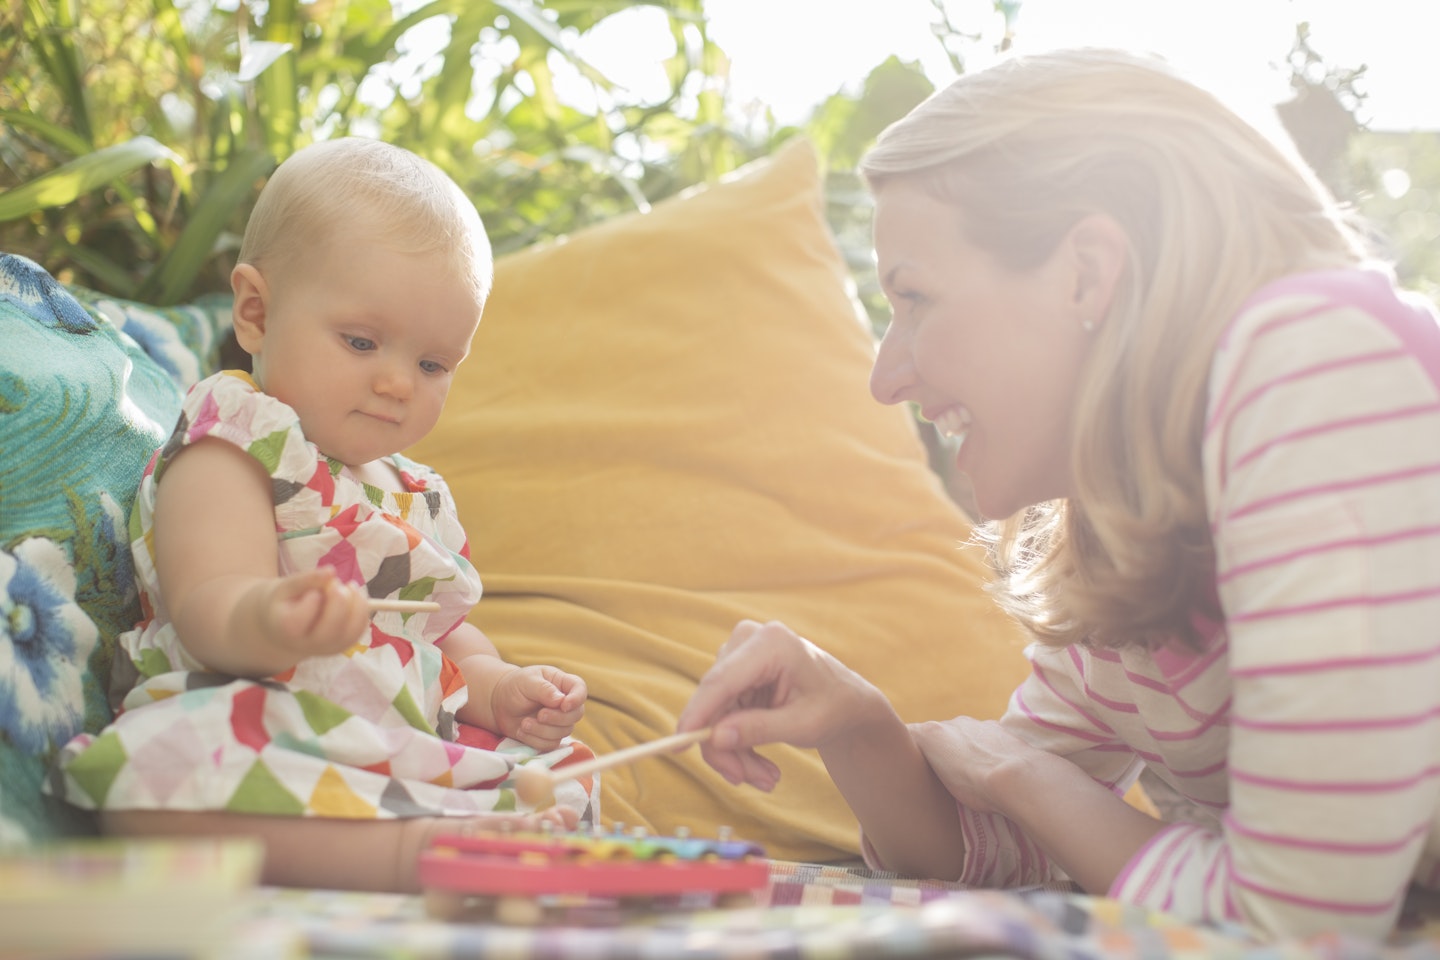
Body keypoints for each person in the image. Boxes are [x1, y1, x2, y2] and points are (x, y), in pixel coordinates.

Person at [677, 48, 1440, 941]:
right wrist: (859, 725)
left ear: (1086, 272)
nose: (887, 377)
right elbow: (1019, 849)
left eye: (914, 297)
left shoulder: (1319, 362)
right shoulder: (1122, 541)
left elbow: (1298, 923)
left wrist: (1024, 777)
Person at [51, 137, 596, 892]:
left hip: (399, 751)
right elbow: (208, 603)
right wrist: (275, 616)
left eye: (434, 365)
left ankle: (473, 834)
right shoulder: (239, 437)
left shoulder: (417, 491)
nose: (399, 383)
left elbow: (444, 631)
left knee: (568, 773)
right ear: (256, 312)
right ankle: (419, 857)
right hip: (269, 725)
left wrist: (502, 688)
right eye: (362, 342)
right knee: (153, 775)